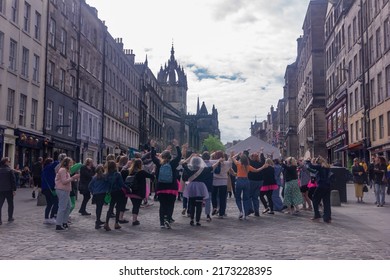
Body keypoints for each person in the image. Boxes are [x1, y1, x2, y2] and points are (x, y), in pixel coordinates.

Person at [151, 139, 182, 229]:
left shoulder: (159, 163)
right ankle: (168, 219)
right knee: (170, 205)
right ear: (170, 157)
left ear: (162, 156)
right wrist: (177, 146)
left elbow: (153, 157)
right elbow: (179, 156)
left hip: (161, 187)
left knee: (162, 205)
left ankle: (161, 223)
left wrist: (153, 147)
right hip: (172, 188)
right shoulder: (173, 163)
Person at [182, 155, 222, 226]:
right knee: (199, 204)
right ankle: (197, 220)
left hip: (191, 186)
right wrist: (218, 161)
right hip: (200, 187)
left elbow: (183, 164)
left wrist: (190, 157)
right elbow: (212, 167)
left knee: (191, 203)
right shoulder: (203, 170)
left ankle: (191, 219)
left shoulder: (189, 169)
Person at [230, 151, 264, 219]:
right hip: (246, 181)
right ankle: (246, 214)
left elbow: (232, 158)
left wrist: (237, 154)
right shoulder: (248, 166)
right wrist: (263, 166)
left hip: (239, 181)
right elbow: (256, 170)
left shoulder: (238, 164)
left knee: (238, 197)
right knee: (246, 198)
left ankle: (240, 211)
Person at [125, 159, 155, 226]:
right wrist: (153, 171)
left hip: (131, 191)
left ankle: (134, 219)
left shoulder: (130, 171)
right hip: (139, 191)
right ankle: (134, 220)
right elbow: (151, 176)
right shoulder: (142, 172)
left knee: (134, 205)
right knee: (137, 206)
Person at [54, 157, 80, 230]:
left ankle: (64, 222)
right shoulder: (62, 170)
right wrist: (73, 178)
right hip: (62, 190)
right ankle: (58, 224)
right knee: (62, 207)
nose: (71, 165)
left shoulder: (66, 170)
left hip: (66, 190)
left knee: (68, 206)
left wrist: (73, 178)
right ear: (67, 163)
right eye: (70, 163)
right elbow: (64, 181)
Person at [306, 156, 332, 223]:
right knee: (326, 201)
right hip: (328, 186)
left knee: (314, 198)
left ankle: (317, 214)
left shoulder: (320, 166)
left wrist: (308, 161)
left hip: (321, 186)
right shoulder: (327, 167)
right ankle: (327, 217)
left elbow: (311, 166)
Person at [104, 160, 125, 231]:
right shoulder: (117, 174)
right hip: (118, 192)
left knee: (110, 208)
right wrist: (128, 188)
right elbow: (122, 184)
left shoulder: (106, 174)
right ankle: (116, 223)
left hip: (110, 192)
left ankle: (106, 223)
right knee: (118, 208)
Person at [210, 151, 232, 218]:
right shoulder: (227, 163)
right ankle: (221, 213)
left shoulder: (212, 162)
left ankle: (214, 207)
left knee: (213, 196)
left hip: (214, 181)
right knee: (222, 198)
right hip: (223, 181)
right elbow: (231, 161)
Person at [88, 165, 109, 229]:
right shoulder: (105, 177)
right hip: (102, 194)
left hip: (96, 194)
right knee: (100, 208)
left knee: (98, 208)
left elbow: (89, 186)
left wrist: (92, 192)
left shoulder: (94, 177)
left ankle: (98, 220)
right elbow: (108, 184)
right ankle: (97, 222)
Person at [41, 158, 59, 224]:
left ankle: (46, 218)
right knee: (56, 203)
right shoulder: (49, 167)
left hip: (45, 189)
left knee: (49, 204)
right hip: (50, 189)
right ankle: (52, 217)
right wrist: (59, 159)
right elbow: (56, 163)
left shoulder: (44, 169)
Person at [248, 151, 265, 216]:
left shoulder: (251, 163)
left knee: (249, 196)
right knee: (255, 197)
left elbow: (247, 158)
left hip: (252, 181)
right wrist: (261, 152)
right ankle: (256, 211)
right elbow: (263, 160)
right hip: (260, 181)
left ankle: (250, 208)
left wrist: (247, 151)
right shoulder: (261, 163)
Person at [0, 157, 17, 225]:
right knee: (10, 204)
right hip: (9, 190)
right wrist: (14, 190)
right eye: (9, 161)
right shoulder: (10, 170)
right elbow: (13, 181)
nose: (10, 162)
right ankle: (10, 217)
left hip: (0, 190)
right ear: (6, 162)